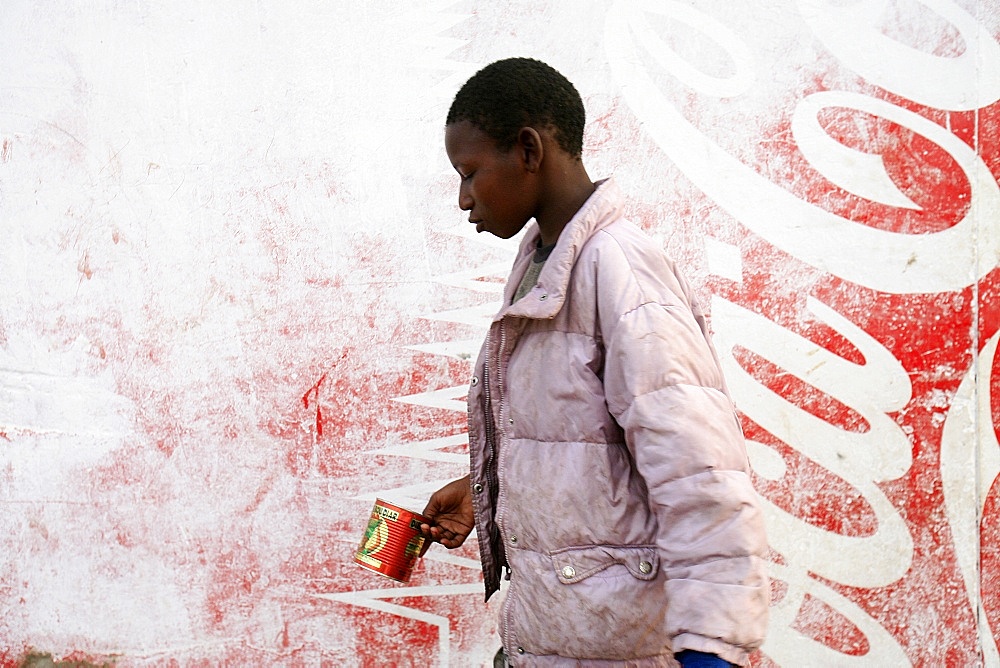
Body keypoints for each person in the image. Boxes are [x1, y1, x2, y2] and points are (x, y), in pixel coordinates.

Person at [419, 57, 769, 667]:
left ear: (529, 150)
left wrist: (712, 647)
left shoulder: (621, 270)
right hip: (554, 640)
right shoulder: (542, 264)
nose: (462, 197)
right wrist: (488, 496)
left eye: (470, 172)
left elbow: (699, 474)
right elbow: (577, 439)